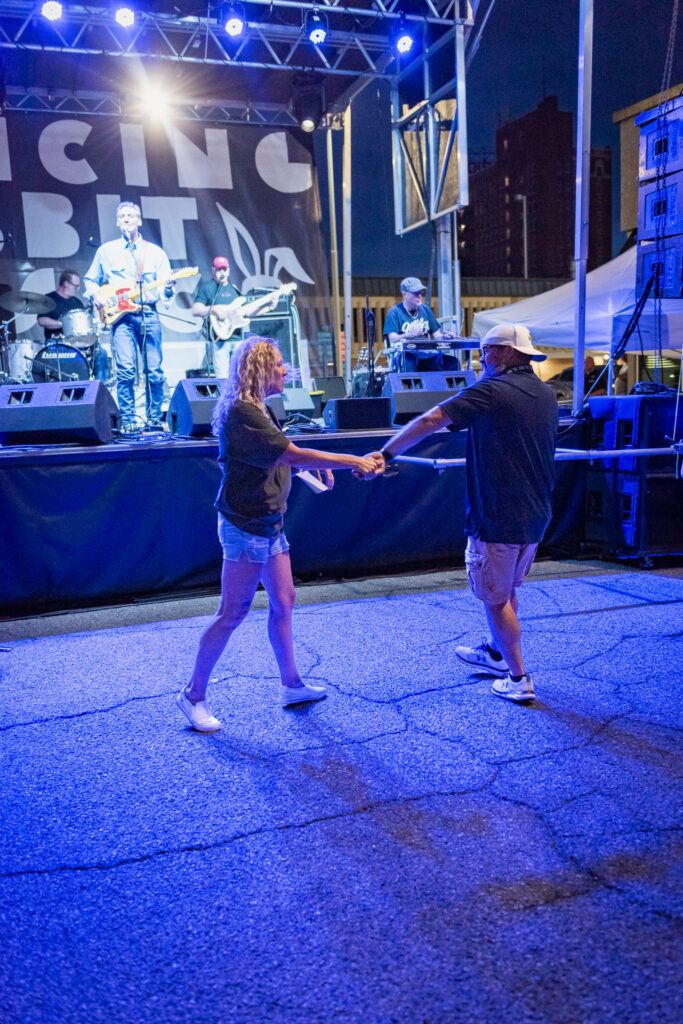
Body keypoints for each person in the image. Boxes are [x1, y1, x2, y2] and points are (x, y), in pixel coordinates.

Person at [177, 336, 384, 732]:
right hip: (246, 525)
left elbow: (279, 456)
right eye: (277, 364)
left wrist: (313, 467)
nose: (284, 370)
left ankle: (291, 685)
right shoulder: (242, 411)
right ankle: (192, 695)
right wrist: (350, 460)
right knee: (232, 612)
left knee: (284, 601)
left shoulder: (259, 408)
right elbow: (289, 453)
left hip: (268, 523)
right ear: (258, 369)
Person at [369, 322, 558, 704]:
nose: (482, 359)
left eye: (487, 351)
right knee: (506, 588)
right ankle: (495, 653)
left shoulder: (490, 391)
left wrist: (385, 453)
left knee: (494, 598)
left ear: (506, 353)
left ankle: (518, 678)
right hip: (536, 511)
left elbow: (430, 420)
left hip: (497, 512)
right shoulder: (545, 394)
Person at [84, 201, 175, 430]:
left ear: (139, 221)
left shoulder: (155, 252)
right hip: (121, 318)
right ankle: (129, 421)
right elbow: (90, 279)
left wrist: (168, 288)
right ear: (117, 222)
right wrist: (96, 295)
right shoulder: (106, 251)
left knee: (154, 371)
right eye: (122, 216)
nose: (127, 219)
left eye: (131, 215)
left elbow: (165, 293)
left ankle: (154, 420)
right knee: (125, 371)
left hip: (148, 314)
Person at [383, 276, 456, 371]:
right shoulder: (395, 312)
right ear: (404, 294)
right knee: (408, 361)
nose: (419, 296)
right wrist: (407, 335)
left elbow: (437, 335)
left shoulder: (425, 309)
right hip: (406, 354)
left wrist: (445, 336)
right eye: (415, 293)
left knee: (453, 362)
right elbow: (392, 338)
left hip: (426, 353)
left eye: (420, 292)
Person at [191, 256, 245, 380]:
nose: (222, 272)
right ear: (213, 271)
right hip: (219, 340)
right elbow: (196, 310)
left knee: (241, 378)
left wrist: (268, 307)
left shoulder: (234, 289)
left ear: (229, 271)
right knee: (223, 379)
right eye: (219, 270)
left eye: (224, 269)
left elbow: (245, 311)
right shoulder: (207, 288)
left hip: (237, 339)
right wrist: (213, 309)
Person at [37, 270, 85, 341]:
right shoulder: (48, 299)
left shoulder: (77, 302)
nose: (78, 289)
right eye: (76, 286)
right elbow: (42, 320)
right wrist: (65, 324)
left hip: (77, 342)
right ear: (66, 283)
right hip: (56, 342)